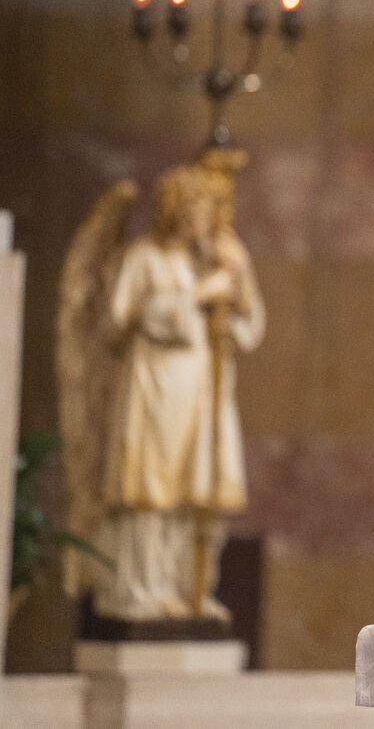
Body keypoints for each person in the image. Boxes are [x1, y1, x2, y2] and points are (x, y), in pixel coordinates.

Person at [94, 165, 264, 620]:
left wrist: (240, 276)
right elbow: (117, 320)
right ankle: (143, 590)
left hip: (204, 390)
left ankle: (192, 589)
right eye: (191, 208)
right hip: (155, 387)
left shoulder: (212, 257)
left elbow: (248, 327)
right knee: (152, 491)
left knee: (198, 492)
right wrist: (196, 295)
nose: (199, 219)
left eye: (205, 210)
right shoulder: (144, 256)